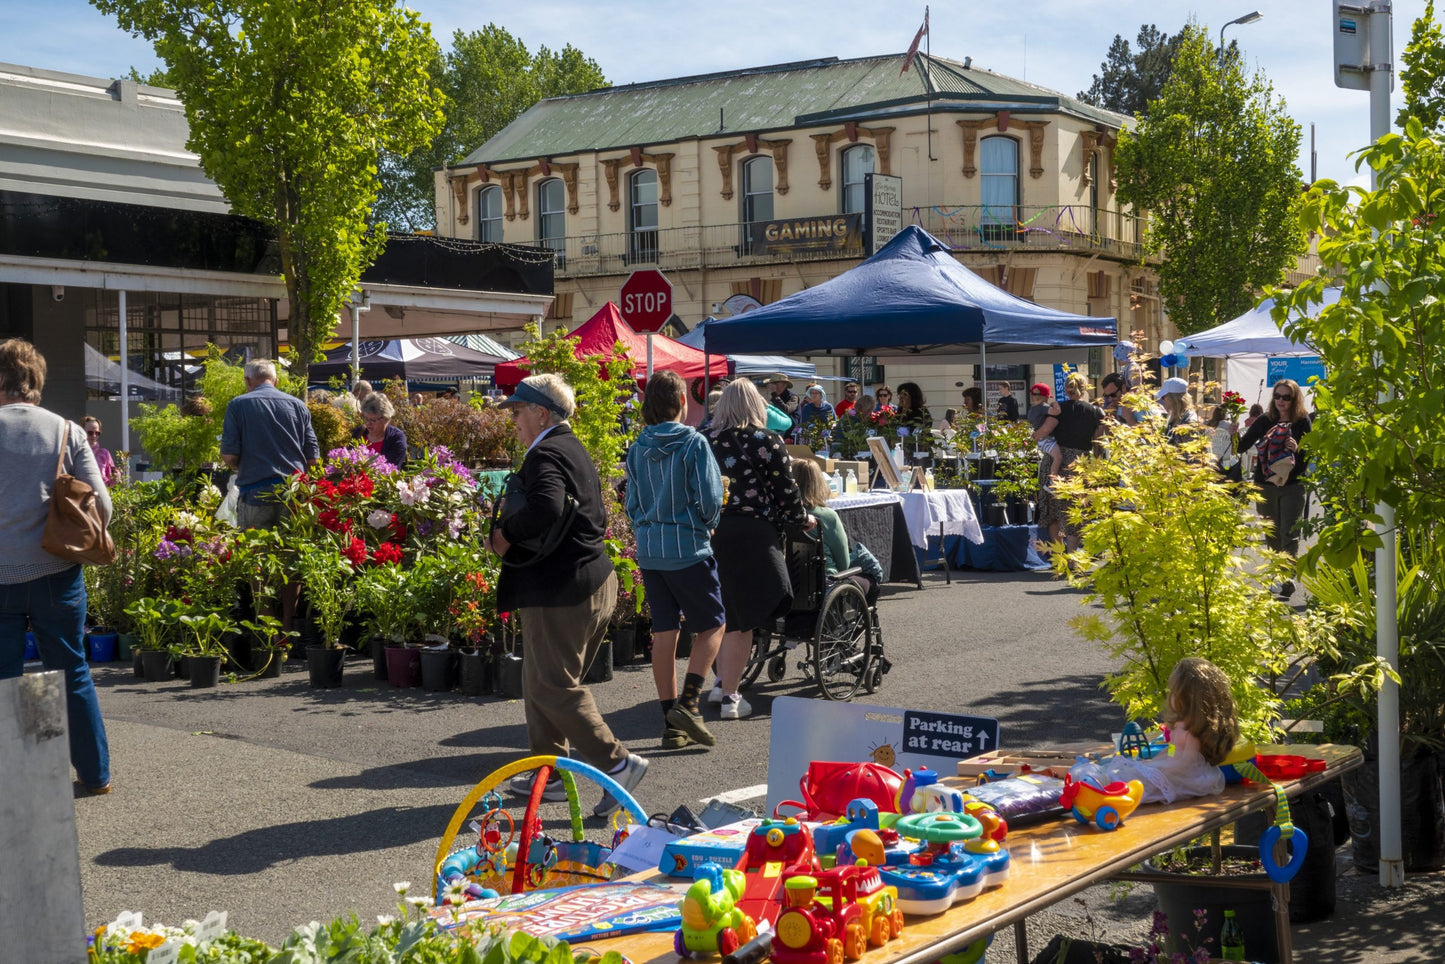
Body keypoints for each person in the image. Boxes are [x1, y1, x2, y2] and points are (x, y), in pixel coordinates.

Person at [490, 374, 648, 815]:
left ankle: (617, 765)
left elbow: (546, 506)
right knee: (540, 681)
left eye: (518, 411)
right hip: (590, 581)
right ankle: (550, 775)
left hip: (561, 587)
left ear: (541, 412)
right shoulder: (568, 446)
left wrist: (505, 534)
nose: (514, 420)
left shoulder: (545, 453)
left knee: (550, 684)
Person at [0, 338, 113, 795]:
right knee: (71, 670)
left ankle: (16, 779)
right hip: (57, 572)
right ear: (36, 383)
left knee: (4, 677)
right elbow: (102, 509)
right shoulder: (69, 431)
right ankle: (94, 774)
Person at [624, 371, 725, 751]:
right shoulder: (694, 443)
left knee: (664, 633)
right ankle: (688, 704)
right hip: (687, 546)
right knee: (714, 625)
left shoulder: (637, 446)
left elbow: (631, 502)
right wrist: (706, 524)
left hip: (651, 549)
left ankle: (672, 724)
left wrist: (646, 527)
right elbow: (711, 499)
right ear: (682, 401)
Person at [707, 379, 810, 719]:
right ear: (756, 406)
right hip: (753, 533)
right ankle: (731, 697)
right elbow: (786, 490)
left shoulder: (706, 440)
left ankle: (722, 682)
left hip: (713, 532)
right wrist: (801, 519)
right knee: (743, 621)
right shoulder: (767, 440)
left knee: (723, 615)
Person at [221, 360, 319, 637]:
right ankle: (287, 628)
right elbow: (312, 456)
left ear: (248, 380)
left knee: (257, 562)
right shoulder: (298, 406)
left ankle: (268, 632)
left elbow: (230, 455)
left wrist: (244, 465)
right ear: (275, 380)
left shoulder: (238, 405)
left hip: (255, 491)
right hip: (294, 494)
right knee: (292, 561)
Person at [1097, 657, 1239, 804]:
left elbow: (1187, 764)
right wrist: (1153, 764)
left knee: (1132, 782)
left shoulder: (1191, 733)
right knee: (1125, 773)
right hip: (1172, 773)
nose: (1170, 696)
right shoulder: (1179, 727)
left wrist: (1159, 770)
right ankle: (1098, 786)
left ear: (1188, 698)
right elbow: (1171, 751)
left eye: (1173, 692)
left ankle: (1101, 791)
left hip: (1186, 777)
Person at [1231, 378, 1312, 594]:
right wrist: (1233, 433)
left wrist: (1298, 448)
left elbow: (1309, 455)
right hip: (1265, 484)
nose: (1281, 401)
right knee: (1273, 533)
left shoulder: (1302, 421)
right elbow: (1242, 447)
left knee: (1289, 533)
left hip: (1293, 485)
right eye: (1277, 396)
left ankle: (1286, 577)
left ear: (1294, 399)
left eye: (1286, 397)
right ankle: (1279, 573)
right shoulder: (1265, 420)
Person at [1034, 373, 1105, 550]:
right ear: (1085, 388)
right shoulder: (1097, 412)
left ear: (1066, 389)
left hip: (1056, 460)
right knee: (1075, 511)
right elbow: (1098, 445)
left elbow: (1043, 432)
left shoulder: (1059, 409)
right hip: (1081, 462)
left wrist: (1034, 435)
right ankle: (1073, 555)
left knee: (1054, 512)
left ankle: (1060, 555)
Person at [791, 460, 877, 604]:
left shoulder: (778, 516)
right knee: (871, 580)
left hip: (788, 583)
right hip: (823, 585)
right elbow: (843, 564)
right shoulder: (827, 517)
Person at [351, 392, 408, 466]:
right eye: (366, 418)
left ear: (386, 419)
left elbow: (392, 468)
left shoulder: (396, 438)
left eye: (373, 420)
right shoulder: (359, 432)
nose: (368, 423)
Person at [1156, 376, 1198, 444]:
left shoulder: (1190, 422)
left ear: (1174, 399)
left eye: (1163, 397)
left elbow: (1191, 452)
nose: (1162, 401)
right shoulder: (1174, 417)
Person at [82, 415, 116, 486]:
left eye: (97, 433)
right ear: (82, 431)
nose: (94, 436)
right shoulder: (76, 451)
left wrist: (116, 476)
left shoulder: (104, 452)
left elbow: (113, 471)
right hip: (82, 492)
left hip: (101, 491)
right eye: (90, 433)